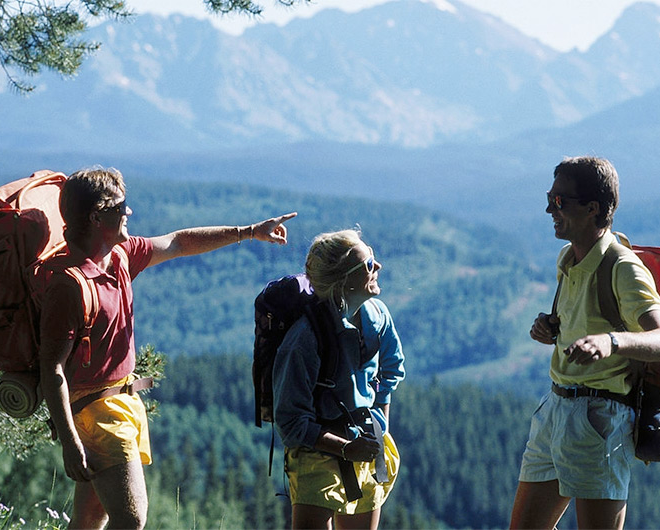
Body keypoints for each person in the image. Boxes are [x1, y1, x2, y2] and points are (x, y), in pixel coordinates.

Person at [38, 166, 296, 530]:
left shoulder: (121, 256)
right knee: (131, 519)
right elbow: (52, 368)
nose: (128, 211)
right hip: (98, 416)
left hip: (119, 404)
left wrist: (250, 232)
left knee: (89, 519)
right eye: (120, 205)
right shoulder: (70, 284)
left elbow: (179, 242)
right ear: (97, 217)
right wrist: (69, 442)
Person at [509, 156, 660, 530]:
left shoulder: (623, 267)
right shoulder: (569, 257)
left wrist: (611, 342)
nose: (549, 208)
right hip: (555, 410)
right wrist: (551, 328)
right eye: (549, 198)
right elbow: (582, 319)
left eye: (559, 201)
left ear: (592, 209)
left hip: (600, 422)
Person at [272, 229, 405, 530]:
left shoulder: (377, 315)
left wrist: (379, 428)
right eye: (369, 263)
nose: (378, 267)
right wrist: (345, 448)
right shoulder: (304, 340)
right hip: (317, 455)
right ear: (346, 280)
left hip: (365, 447)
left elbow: (392, 369)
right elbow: (291, 422)